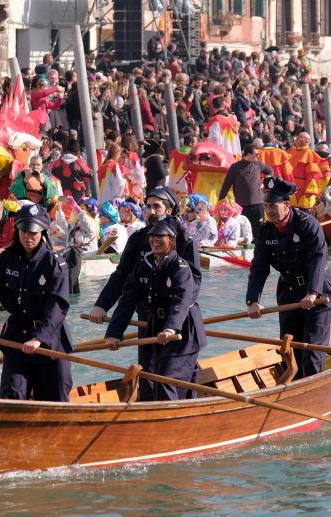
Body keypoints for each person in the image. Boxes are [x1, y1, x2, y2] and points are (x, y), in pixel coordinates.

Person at [0, 204, 74, 401]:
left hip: (50, 343)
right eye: (24, 230)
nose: (28, 236)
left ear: (42, 231)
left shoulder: (55, 264)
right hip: (16, 339)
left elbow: (58, 304)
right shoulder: (7, 258)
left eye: (33, 231)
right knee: (12, 396)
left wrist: (39, 337)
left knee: (54, 400)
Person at [245, 178, 331, 378]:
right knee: (289, 349)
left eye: (273, 205)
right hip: (288, 294)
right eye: (266, 205)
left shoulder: (307, 224)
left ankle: (313, 389)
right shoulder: (265, 231)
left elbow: (318, 258)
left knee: (311, 349)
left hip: (318, 293)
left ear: (286, 205)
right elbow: (259, 267)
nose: (269, 210)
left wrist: (312, 292)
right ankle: (291, 387)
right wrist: (253, 300)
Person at [104, 219, 206, 401]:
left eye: (161, 237)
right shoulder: (143, 267)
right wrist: (114, 333)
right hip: (155, 326)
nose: (155, 241)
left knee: (166, 379)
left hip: (182, 331)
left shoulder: (181, 268)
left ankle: (173, 421)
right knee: (150, 377)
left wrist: (170, 328)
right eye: (152, 237)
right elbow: (127, 301)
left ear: (172, 240)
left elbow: (181, 301)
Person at [88, 186, 202, 326]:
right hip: (147, 317)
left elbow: (194, 280)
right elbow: (121, 275)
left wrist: (175, 319)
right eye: (148, 207)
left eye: (156, 206)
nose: (151, 212)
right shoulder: (137, 239)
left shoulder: (184, 239)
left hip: (178, 317)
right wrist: (101, 305)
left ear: (169, 210)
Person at [218, 144, 271, 238]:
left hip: (258, 203)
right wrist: (220, 201)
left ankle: (260, 249)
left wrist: (265, 182)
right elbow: (226, 184)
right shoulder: (235, 167)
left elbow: (270, 171)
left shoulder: (258, 164)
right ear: (249, 154)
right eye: (256, 154)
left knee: (259, 229)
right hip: (242, 205)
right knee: (244, 231)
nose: (258, 156)